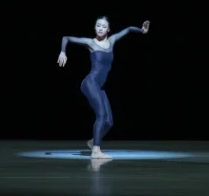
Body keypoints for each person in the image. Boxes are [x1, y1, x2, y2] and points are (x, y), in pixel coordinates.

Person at [58, 17, 150, 160]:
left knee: (109, 122)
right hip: (90, 83)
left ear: (108, 29)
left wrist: (141, 30)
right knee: (101, 115)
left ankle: (93, 141)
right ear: (95, 28)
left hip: (100, 87)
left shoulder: (112, 41)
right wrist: (63, 52)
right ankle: (96, 151)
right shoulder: (90, 43)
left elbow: (128, 30)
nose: (100, 28)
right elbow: (66, 38)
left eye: (103, 26)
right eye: (98, 25)